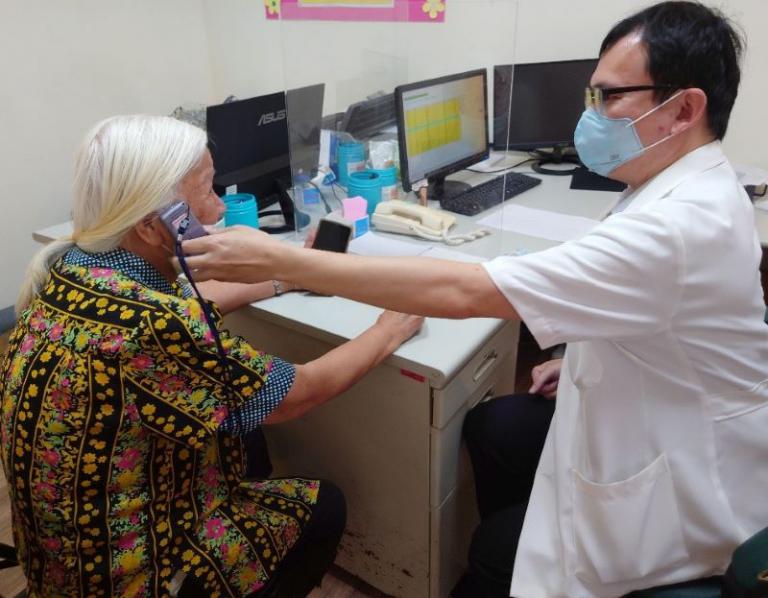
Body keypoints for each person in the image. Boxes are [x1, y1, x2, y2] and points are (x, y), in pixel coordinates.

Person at [181, 2, 768, 595]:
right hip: (651, 407)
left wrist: (283, 260)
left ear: (684, 109)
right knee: (494, 425)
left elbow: (467, 290)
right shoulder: (683, 186)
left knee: (494, 552)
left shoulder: (680, 224)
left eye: (609, 97)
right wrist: (583, 353)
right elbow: (651, 308)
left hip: (682, 487)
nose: (591, 114)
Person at [0, 114, 422, 597]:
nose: (220, 207)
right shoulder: (153, 326)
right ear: (152, 225)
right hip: (132, 577)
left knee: (247, 439)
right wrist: (388, 331)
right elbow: (297, 394)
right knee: (324, 506)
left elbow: (187, 302)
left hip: (62, 562)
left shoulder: (70, 268)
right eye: (207, 190)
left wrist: (287, 276)